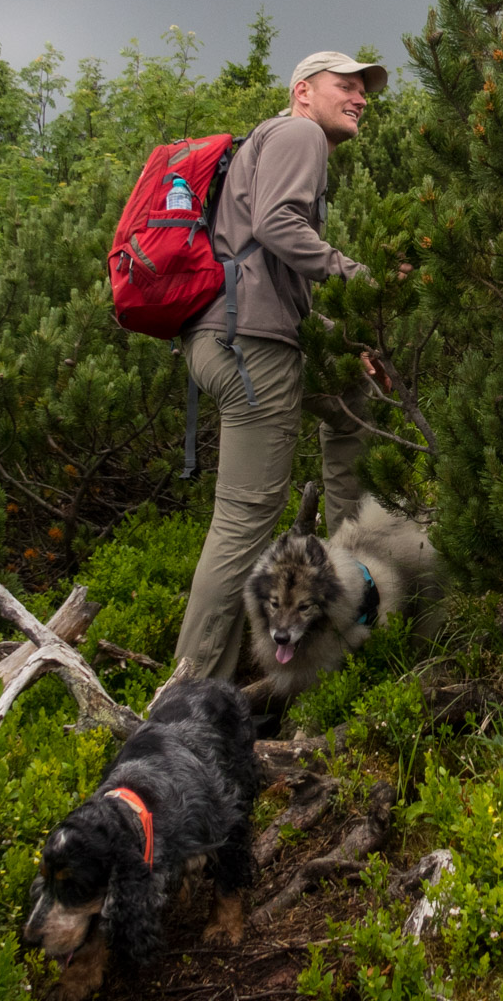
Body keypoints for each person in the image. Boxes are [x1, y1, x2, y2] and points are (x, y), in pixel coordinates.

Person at [173, 50, 384, 682]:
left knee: (350, 400)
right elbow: (275, 226)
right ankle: (189, 698)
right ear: (303, 92)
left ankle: (346, 577)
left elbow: (274, 283)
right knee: (244, 522)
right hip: (250, 351)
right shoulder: (298, 133)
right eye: (344, 85)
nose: (360, 97)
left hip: (242, 339)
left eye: (363, 89)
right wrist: (359, 276)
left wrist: (347, 348)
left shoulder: (272, 141)